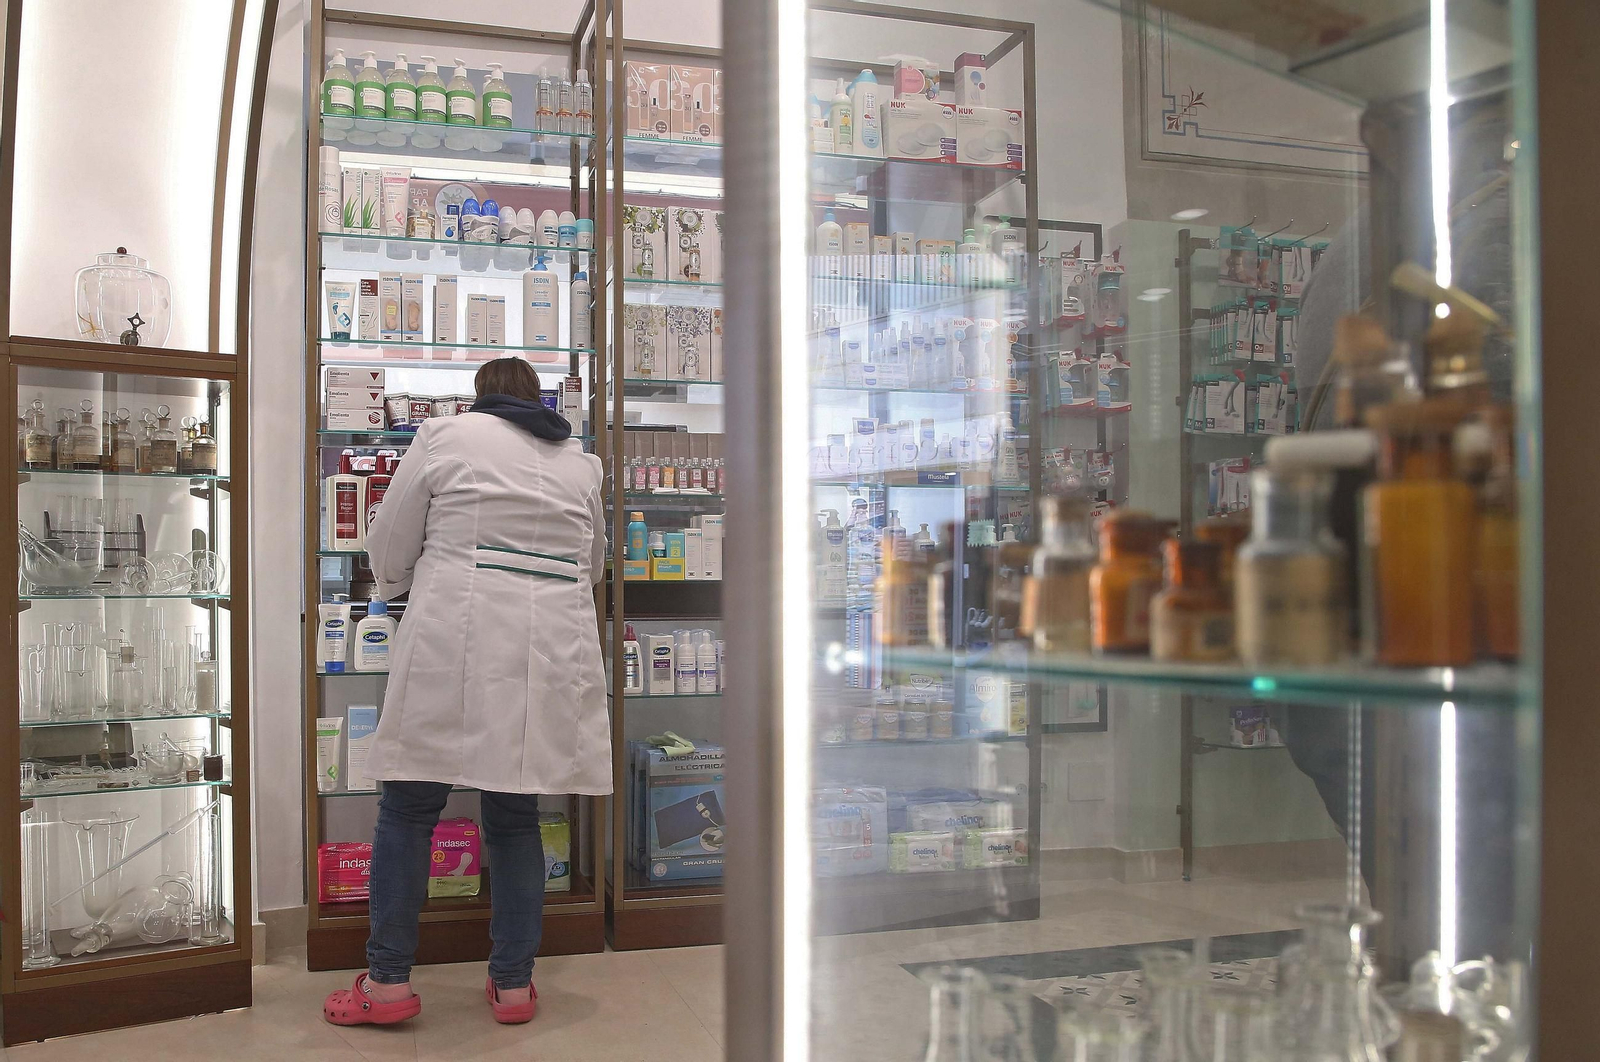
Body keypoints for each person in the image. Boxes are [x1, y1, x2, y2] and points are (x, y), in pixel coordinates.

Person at [322, 358, 610, 1028]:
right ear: (535, 400)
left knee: (409, 808)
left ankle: (387, 983)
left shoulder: (444, 437)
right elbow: (591, 566)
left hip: (455, 634)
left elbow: (389, 547)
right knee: (515, 817)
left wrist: (398, 586)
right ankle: (513, 985)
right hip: (546, 646)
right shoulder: (578, 462)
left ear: (479, 398)